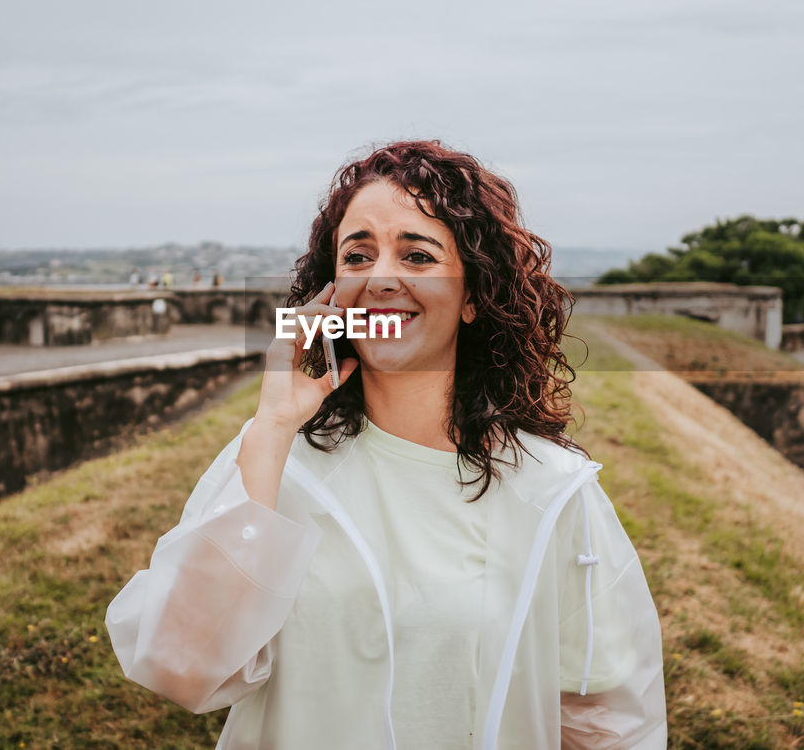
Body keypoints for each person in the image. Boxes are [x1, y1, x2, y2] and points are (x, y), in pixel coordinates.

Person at [106, 140, 667, 749]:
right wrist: (270, 427)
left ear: (475, 296)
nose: (380, 280)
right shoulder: (274, 461)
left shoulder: (554, 490)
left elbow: (609, 723)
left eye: (418, 255)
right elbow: (181, 666)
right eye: (358, 255)